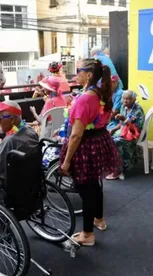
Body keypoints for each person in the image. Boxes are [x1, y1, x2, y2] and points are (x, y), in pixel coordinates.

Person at [59, 58, 122, 246]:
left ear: (88, 75)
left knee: (85, 189)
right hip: (99, 141)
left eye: (79, 70)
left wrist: (67, 161)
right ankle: (99, 220)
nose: (75, 73)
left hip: (86, 146)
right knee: (94, 183)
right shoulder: (99, 93)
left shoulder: (86, 98)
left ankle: (87, 235)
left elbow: (76, 135)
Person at [0, 100, 40, 185]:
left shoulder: (9, 141)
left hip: (8, 188)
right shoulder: (31, 131)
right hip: (30, 183)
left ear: (12, 119)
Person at [107, 90, 145, 180]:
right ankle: (111, 165)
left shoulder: (138, 110)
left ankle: (119, 169)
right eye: (124, 98)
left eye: (128, 99)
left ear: (134, 99)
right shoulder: (123, 108)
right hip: (122, 132)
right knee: (105, 138)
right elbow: (120, 124)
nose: (125, 101)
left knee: (115, 142)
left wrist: (124, 119)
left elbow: (135, 130)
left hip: (132, 135)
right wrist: (113, 129)